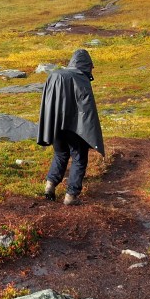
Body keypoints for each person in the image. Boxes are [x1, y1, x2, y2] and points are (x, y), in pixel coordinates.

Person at [37, 48, 105, 205]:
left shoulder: (55, 75)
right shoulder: (80, 79)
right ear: (85, 65)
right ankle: (71, 196)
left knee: (60, 153)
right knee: (79, 157)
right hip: (75, 127)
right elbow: (86, 109)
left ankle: (50, 186)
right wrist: (90, 133)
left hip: (54, 124)